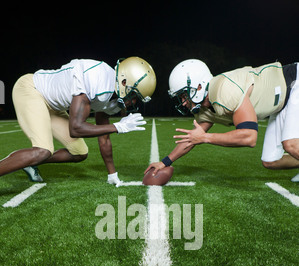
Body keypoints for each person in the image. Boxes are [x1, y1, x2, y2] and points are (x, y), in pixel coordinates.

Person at [1, 57, 156, 185]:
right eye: (134, 96)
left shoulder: (112, 99)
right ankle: (28, 157)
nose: (133, 102)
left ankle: (30, 161)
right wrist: (117, 127)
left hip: (53, 106)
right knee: (43, 150)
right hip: (32, 90)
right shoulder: (97, 79)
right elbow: (75, 128)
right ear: (124, 82)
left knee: (79, 152)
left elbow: (104, 138)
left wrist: (112, 174)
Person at [145, 59, 299, 183]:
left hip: (293, 83)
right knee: (270, 160)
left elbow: (249, 137)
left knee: (291, 144)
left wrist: (205, 138)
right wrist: (165, 162)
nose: (183, 102)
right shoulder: (204, 108)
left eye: (184, 95)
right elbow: (191, 138)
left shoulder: (224, 91)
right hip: (280, 103)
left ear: (199, 86)